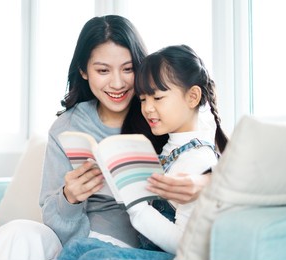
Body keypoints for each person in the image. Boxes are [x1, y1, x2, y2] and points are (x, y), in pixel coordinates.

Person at [0, 15, 211, 260]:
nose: (117, 83)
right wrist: (69, 198)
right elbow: (52, 219)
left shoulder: (160, 114)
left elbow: (213, 157)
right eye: (103, 70)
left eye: (128, 69)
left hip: (132, 248)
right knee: (17, 233)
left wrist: (202, 182)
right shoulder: (66, 127)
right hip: (73, 243)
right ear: (84, 71)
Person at [57, 44, 228, 259]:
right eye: (143, 99)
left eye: (157, 98)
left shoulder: (197, 160)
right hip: (153, 251)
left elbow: (185, 245)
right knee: (78, 248)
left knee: (97, 257)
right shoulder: (169, 147)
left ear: (192, 97)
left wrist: (136, 206)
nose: (147, 108)